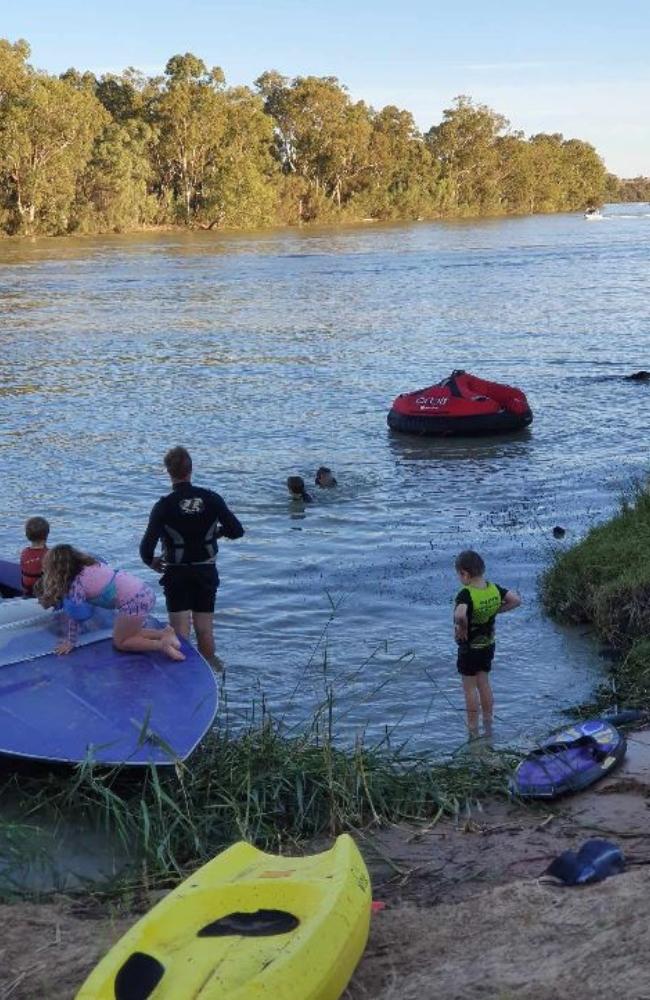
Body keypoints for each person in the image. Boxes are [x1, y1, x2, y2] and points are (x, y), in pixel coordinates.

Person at [140, 447, 244, 666]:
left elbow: (146, 548)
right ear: (191, 469)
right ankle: (212, 669)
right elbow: (237, 530)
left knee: (179, 632)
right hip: (205, 570)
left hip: (176, 573)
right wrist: (217, 532)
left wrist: (153, 562)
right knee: (205, 630)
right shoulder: (211, 498)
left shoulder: (164, 505)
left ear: (168, 472)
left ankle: (184, 673)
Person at [38, 544, 183, 660]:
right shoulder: (91, 564)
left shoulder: (76, 586)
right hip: (144, 591)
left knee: (121, 642)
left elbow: (75, 616)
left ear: (57, 570)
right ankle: (165, 633)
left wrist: (70, 642)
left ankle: (161, 645)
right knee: (131, 632)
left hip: (134, 602)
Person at [453, 550, 521, 739]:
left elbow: (460, 614)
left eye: (459, 575)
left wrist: (463, 627)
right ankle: (488, 722)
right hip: (488, 645)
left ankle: (473, 728)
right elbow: (515, 600)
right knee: (484, 683)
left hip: (469, 648)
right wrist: (495, 611)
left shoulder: (466, 594)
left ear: (464, 573)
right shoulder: (493, 589)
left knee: (469, 688)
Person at [20, 516, 50, 597]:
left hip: (27, 593)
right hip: (44, 594)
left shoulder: (24, 553)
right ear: (47, 534)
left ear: (27, 535)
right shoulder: (49, 554)